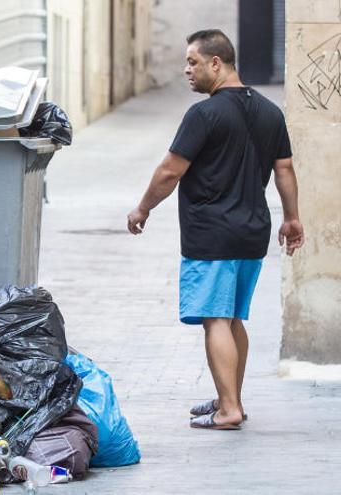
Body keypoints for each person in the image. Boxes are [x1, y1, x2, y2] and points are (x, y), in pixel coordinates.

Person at [126, 29, 304, 430]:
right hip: (252, 231)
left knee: (215, 318)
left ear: (216, 63)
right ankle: (231, 399)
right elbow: (285, 169)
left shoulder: (204, 114)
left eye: (192, 62)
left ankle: (229, 409)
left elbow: (170, 170)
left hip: (212, 233)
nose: (186, 70)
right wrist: (292, 217)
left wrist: (142, 209)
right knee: (233, 317)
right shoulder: (269, 111)